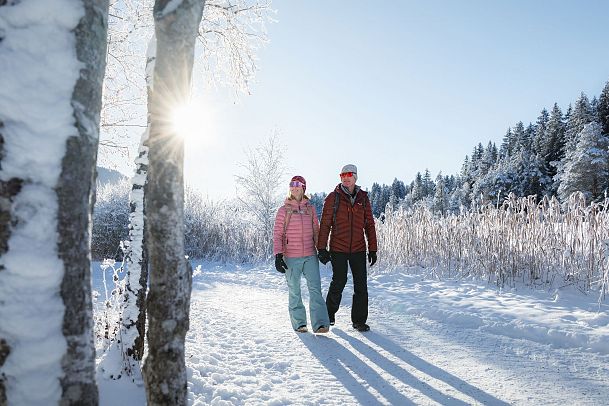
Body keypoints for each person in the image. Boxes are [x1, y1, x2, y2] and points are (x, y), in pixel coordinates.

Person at [317, 164, 377, 332]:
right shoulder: (333, 198)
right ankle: (328, 315)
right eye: (342, 174)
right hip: (338, 248)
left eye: (349, 174)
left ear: (355, 177)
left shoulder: (363, 198)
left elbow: (369, 225)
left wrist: (373, 249)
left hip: (358, 248)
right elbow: (325, 225)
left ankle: (359, 321)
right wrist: (321, 248)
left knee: (361, 285)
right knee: (339, 281)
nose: (345, 177)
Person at [273, 176, 330, 334]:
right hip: (291, 257)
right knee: (294, 290)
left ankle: (320, 324)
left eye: (297, 184)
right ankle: (299, 324)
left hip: (310, 255)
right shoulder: (284, 210)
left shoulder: (310, 209)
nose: (294, 187)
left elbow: (316, 232)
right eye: (292, 184)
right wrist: (278, 255)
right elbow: (277, 234)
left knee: (315, 289)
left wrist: (322, 249)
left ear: (304, 187)